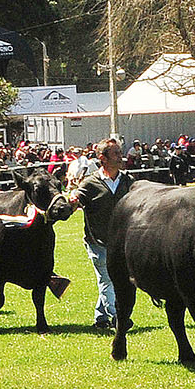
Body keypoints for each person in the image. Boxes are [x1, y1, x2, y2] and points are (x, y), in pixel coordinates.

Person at [69, 137, 134, 332]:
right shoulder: (90, 183)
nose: (120, 157)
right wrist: (71, 200)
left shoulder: (128, 181)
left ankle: (101, 317)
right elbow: (75, 202)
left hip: (122, 243)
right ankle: (118, 317)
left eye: (120, 153)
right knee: (107, 279)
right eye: (115, 154)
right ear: (102, 158)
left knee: (111, 278)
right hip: (97, 241)